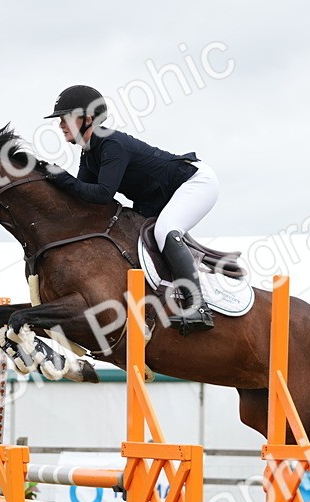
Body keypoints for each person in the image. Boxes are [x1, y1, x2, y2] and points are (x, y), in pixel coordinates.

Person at [42, 84, 220, 334]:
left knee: (165, 231)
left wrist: (61, 177)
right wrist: (44, 178)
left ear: (88, 119)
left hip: (195, 183)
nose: (60, 124)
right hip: (158, 199)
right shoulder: (89, 153)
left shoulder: (110, 143)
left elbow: (103, 194)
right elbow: (83, 198)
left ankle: (197, 305)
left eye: (66, 118)